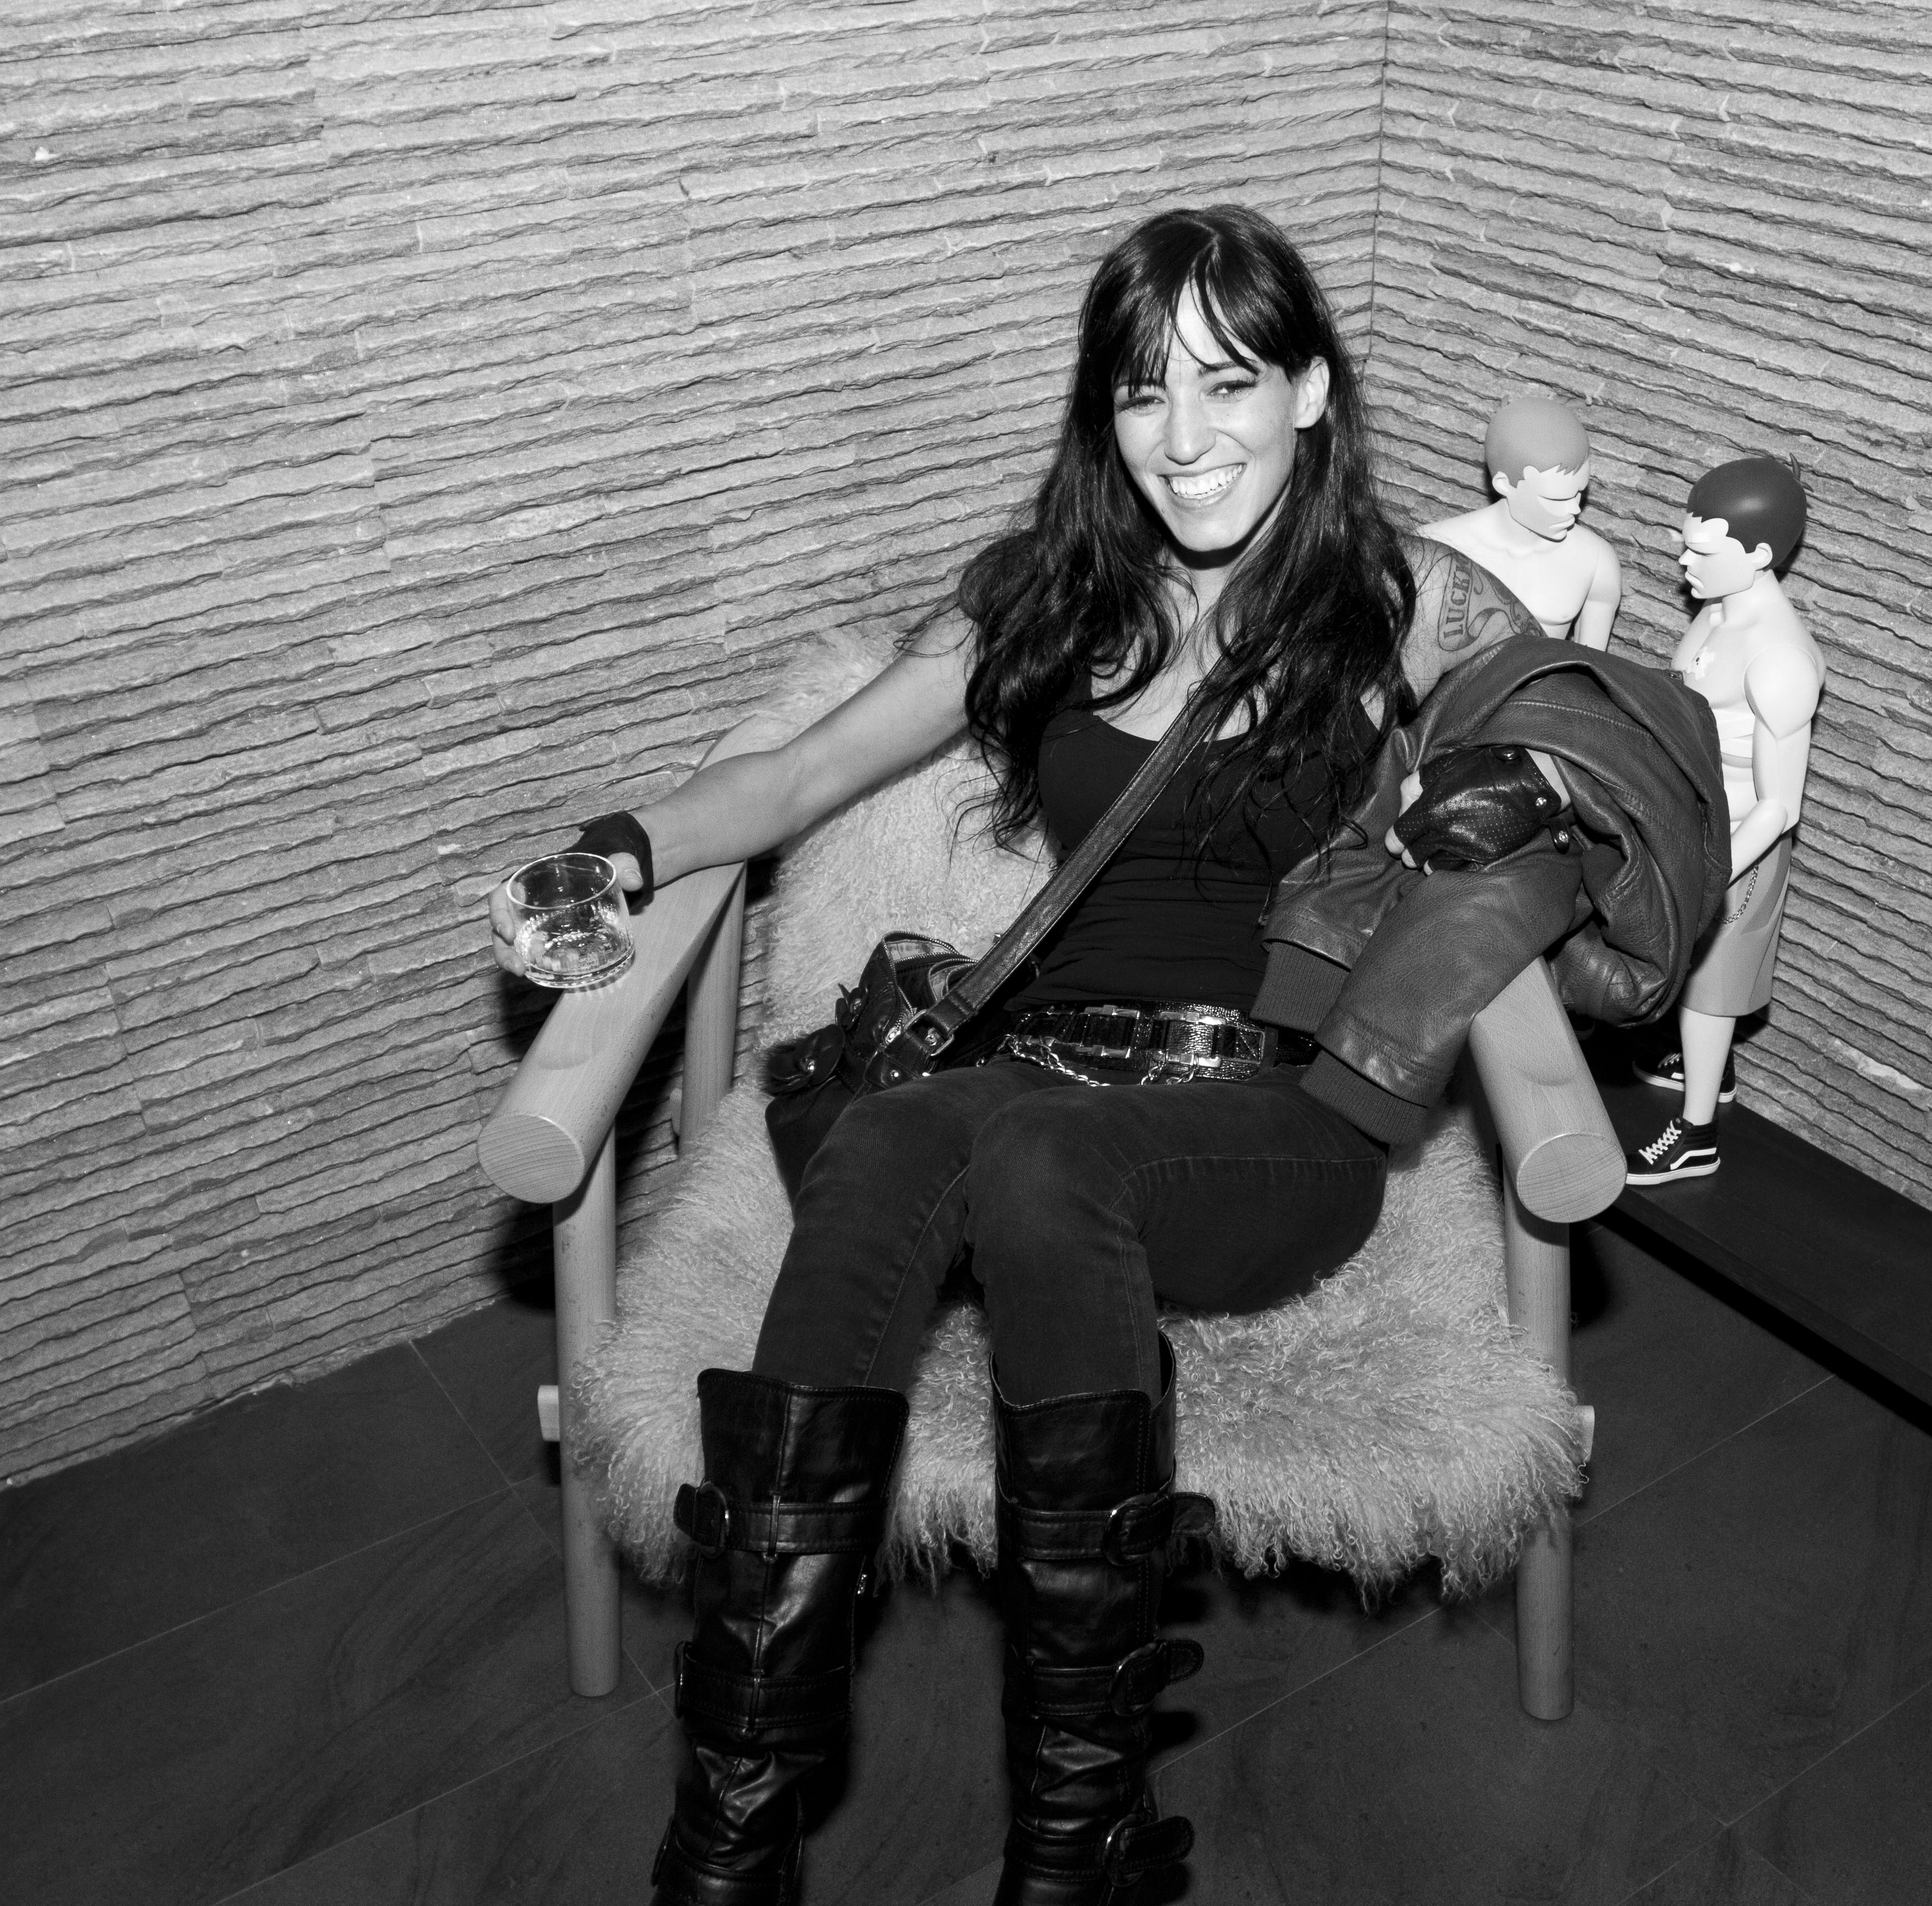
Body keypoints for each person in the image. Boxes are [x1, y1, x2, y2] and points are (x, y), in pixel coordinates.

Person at [501, 206, 1549, 1906]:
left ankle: (1073, 1833)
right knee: (910, 1132)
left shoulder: (1409, 602)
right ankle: (737, 1824)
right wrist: (619, 847)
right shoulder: (1044, 596)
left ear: (1310, 391)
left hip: (1272, 1128)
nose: (1183, 437)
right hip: (1036, 1091)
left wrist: (1501, 803)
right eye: (1142, 391)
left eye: (1227, 382)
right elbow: (800, 775)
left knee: (1025, 1146)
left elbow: (1588, 754)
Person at [1619, 454, 1824, 1184]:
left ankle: (1697, 1134)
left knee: (1711, 987)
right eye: (1687, 545)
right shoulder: (1714, 612)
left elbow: (1781, 805)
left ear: (1760, 554)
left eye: (1703, 552)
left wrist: (1714, 869)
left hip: (1742, 845)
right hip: (1691, 823)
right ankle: (1702, 1061)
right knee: (1683, 963)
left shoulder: (1780, 662)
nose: (1685, 563)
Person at [1414, 393, 1623, 651]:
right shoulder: (1430, 549)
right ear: (1504, 485)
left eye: (1579, 492)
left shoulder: (1596, 561)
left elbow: (1591, 666)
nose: (1574, 508)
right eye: (1555, 499)